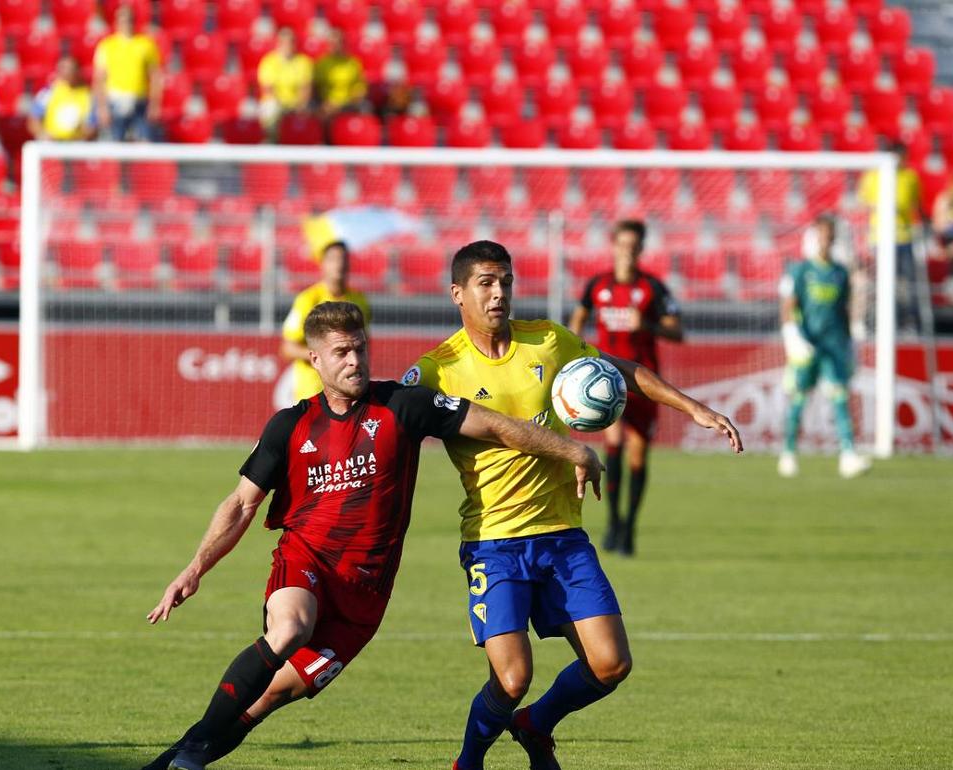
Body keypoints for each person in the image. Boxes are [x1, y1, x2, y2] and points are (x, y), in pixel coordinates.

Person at [142, 301, 607, 770]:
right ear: (314, 359)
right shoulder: (290, 425)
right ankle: (193, 754)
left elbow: (493, 424)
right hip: (306, 562)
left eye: (360, 349)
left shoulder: (402, 406)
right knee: (289, 629)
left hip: (364, 596)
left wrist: (570, 449)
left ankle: (174, 761)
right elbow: (242, 503)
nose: (355, 361)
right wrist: (195, 568)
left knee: (269, 697)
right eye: (342, 352)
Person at [405, 240, 741, 770]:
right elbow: (388, 425)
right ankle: (468, 762)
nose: (499, 294)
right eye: (486, 283)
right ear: (458, 294)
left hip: (562, 535)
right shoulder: (437, 370)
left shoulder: (547, 340)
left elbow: (622, 369)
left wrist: (693, 406)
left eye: (506, 282)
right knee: (512, 679)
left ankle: (536, 725)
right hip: (494, 543)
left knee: (611, 664)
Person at [566, 219, 683, 556]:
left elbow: (677, 330)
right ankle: (614, 521)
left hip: (644, 383)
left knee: (638, 452)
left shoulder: (653, 288)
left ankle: (630, 524)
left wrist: (646, 324)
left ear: (641, 249)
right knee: (613, 441)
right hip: (607, 381)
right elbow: (577, 321)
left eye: (634, 247)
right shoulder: (596, 285)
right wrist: (577, 347)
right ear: (614, 246)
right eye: (623, 245)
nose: (628, 252)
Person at [778, 215, 871, 480]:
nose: (825, 241)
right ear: (812, 238)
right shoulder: (800, 271)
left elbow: (845, 309)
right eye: (820, 235)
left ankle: (848, 455)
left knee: (840, 397)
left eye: (829, 236)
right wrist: (793, 337)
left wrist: (853, 339)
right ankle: (788, 452)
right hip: (808, 344)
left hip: (834, 344)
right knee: (799, 398)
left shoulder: (840, 273)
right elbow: (788, 307)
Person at [281, 241, 370, 403]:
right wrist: (328, 356)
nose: (339, 264)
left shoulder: (360, 300)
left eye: (343, 258)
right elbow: (288, 348)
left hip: (347, 391)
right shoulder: (307, 299)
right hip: (312, 390)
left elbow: (365, 341)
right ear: (323, 265)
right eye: (333, 259)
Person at [857, 142, 923, 330]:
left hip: (904, 237)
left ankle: (909, 322)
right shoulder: (874, 176)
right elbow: (863, 202)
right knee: (880, 282)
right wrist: (881, 207)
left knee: (907, 283)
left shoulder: (910, 177)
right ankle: (878, 322)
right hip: (880, 238)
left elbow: (916, 204)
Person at [92, 5, 162, 141]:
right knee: (114, 143)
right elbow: (99, 79)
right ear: (116, 22)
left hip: (139, 102)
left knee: (144, 143)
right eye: (123, 20)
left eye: (129, 19)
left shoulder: (146, 44)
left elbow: (155, 77)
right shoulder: (107, 46)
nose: (126, 23)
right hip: (114, 101)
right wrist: (101, 107)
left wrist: (154, 105)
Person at [256, 27, 313, 134]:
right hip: (277, 102)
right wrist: (282, 105)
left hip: (296, 102)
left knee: (308, 109)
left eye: (291, 42)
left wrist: (298, 104)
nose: (288, 45)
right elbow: (268, 89)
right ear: (279, 43)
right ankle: (271, 140)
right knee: (270, 108)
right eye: (284, 42)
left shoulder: (303, 62)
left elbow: (305, 88)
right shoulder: (269, 61)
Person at [27, 56, 98, 141]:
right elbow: (34, 120)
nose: (67, 72)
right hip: (51, 145)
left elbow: (92, 128)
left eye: (71, 69)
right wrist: (43, 134)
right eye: (64, 68)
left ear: (78, 71)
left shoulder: (89, 96)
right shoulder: (48, 93)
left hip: (77, 146)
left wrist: (81, 132)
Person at [313, 29, 367, 117]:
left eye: (338, 43)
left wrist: (345, 103)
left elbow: (359, 89)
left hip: (348, 104)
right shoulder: (322, 63)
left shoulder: (353, 63)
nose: (335, 46)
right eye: (332, 43)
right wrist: (325, 102)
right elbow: (315, 87)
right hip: (326, 104)